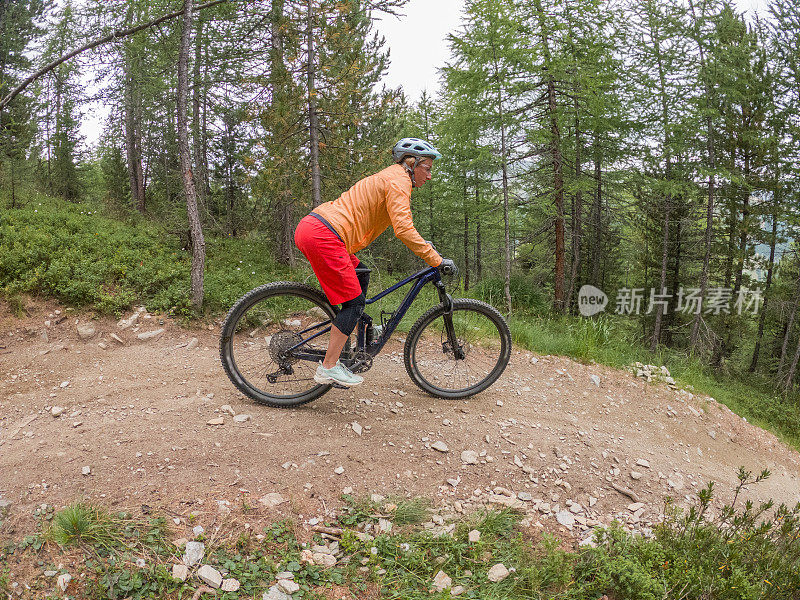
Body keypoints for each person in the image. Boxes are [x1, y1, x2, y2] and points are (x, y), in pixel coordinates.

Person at [294, 137, 454, 387]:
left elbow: (400, 224)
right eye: (428, 168)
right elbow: (403, 229)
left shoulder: (391, 177)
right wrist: (435, 259)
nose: (430, 176)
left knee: (361, 274)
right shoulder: (399, 180)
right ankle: (328, 366)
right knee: (354, 303)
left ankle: (363, 332)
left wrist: (426, 246)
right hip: (325, 235)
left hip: (319, 229)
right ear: (412, 163)